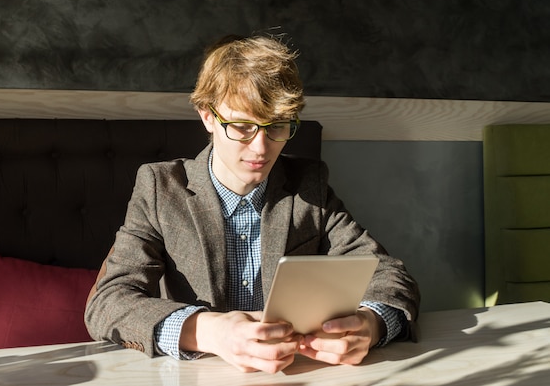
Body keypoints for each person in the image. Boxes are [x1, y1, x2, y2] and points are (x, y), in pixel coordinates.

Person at [84, 34, 420, 374]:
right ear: (208, 117)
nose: (261, 148)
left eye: (276, 126)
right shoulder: (161, 188)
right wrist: (208, 331)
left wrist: (371, 324)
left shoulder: (309, 183)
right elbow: (107, 303)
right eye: (243, 126)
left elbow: (388, 273)